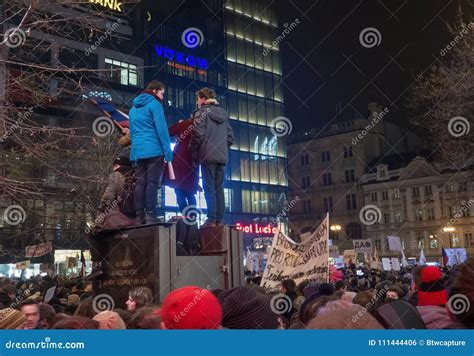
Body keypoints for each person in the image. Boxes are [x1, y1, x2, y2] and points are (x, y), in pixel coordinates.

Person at [189, 88, 234, 228]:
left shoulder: (201, 113)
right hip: (221, 158)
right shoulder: (224, 114)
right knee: (219, 188)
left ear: (203, 99)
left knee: (209, 188)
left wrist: (192, 150)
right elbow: (230, 138)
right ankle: (219, 220)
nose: (197, 102)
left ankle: (211, 220)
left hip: (207, 156)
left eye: (197, 99)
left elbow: (198, 134)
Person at [129, 81, 173, 224]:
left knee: (140, 183)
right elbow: (162, 130)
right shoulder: (155, 105)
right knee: (152, 183)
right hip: (154, 151)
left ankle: (139, 216)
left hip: (137, 152)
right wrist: (168, 152)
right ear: (154, 91)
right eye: (161, 93)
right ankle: (151, 215)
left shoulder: (133, 109)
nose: (162, 97)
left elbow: (133, 133)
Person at [163, 118, 200, 215]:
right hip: (192, 164)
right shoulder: (200, 125)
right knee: (190, 193)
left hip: (179, 163)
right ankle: (192, 216)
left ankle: (185, 215)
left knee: (178, 190)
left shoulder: (183, 124)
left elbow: (167, 132)